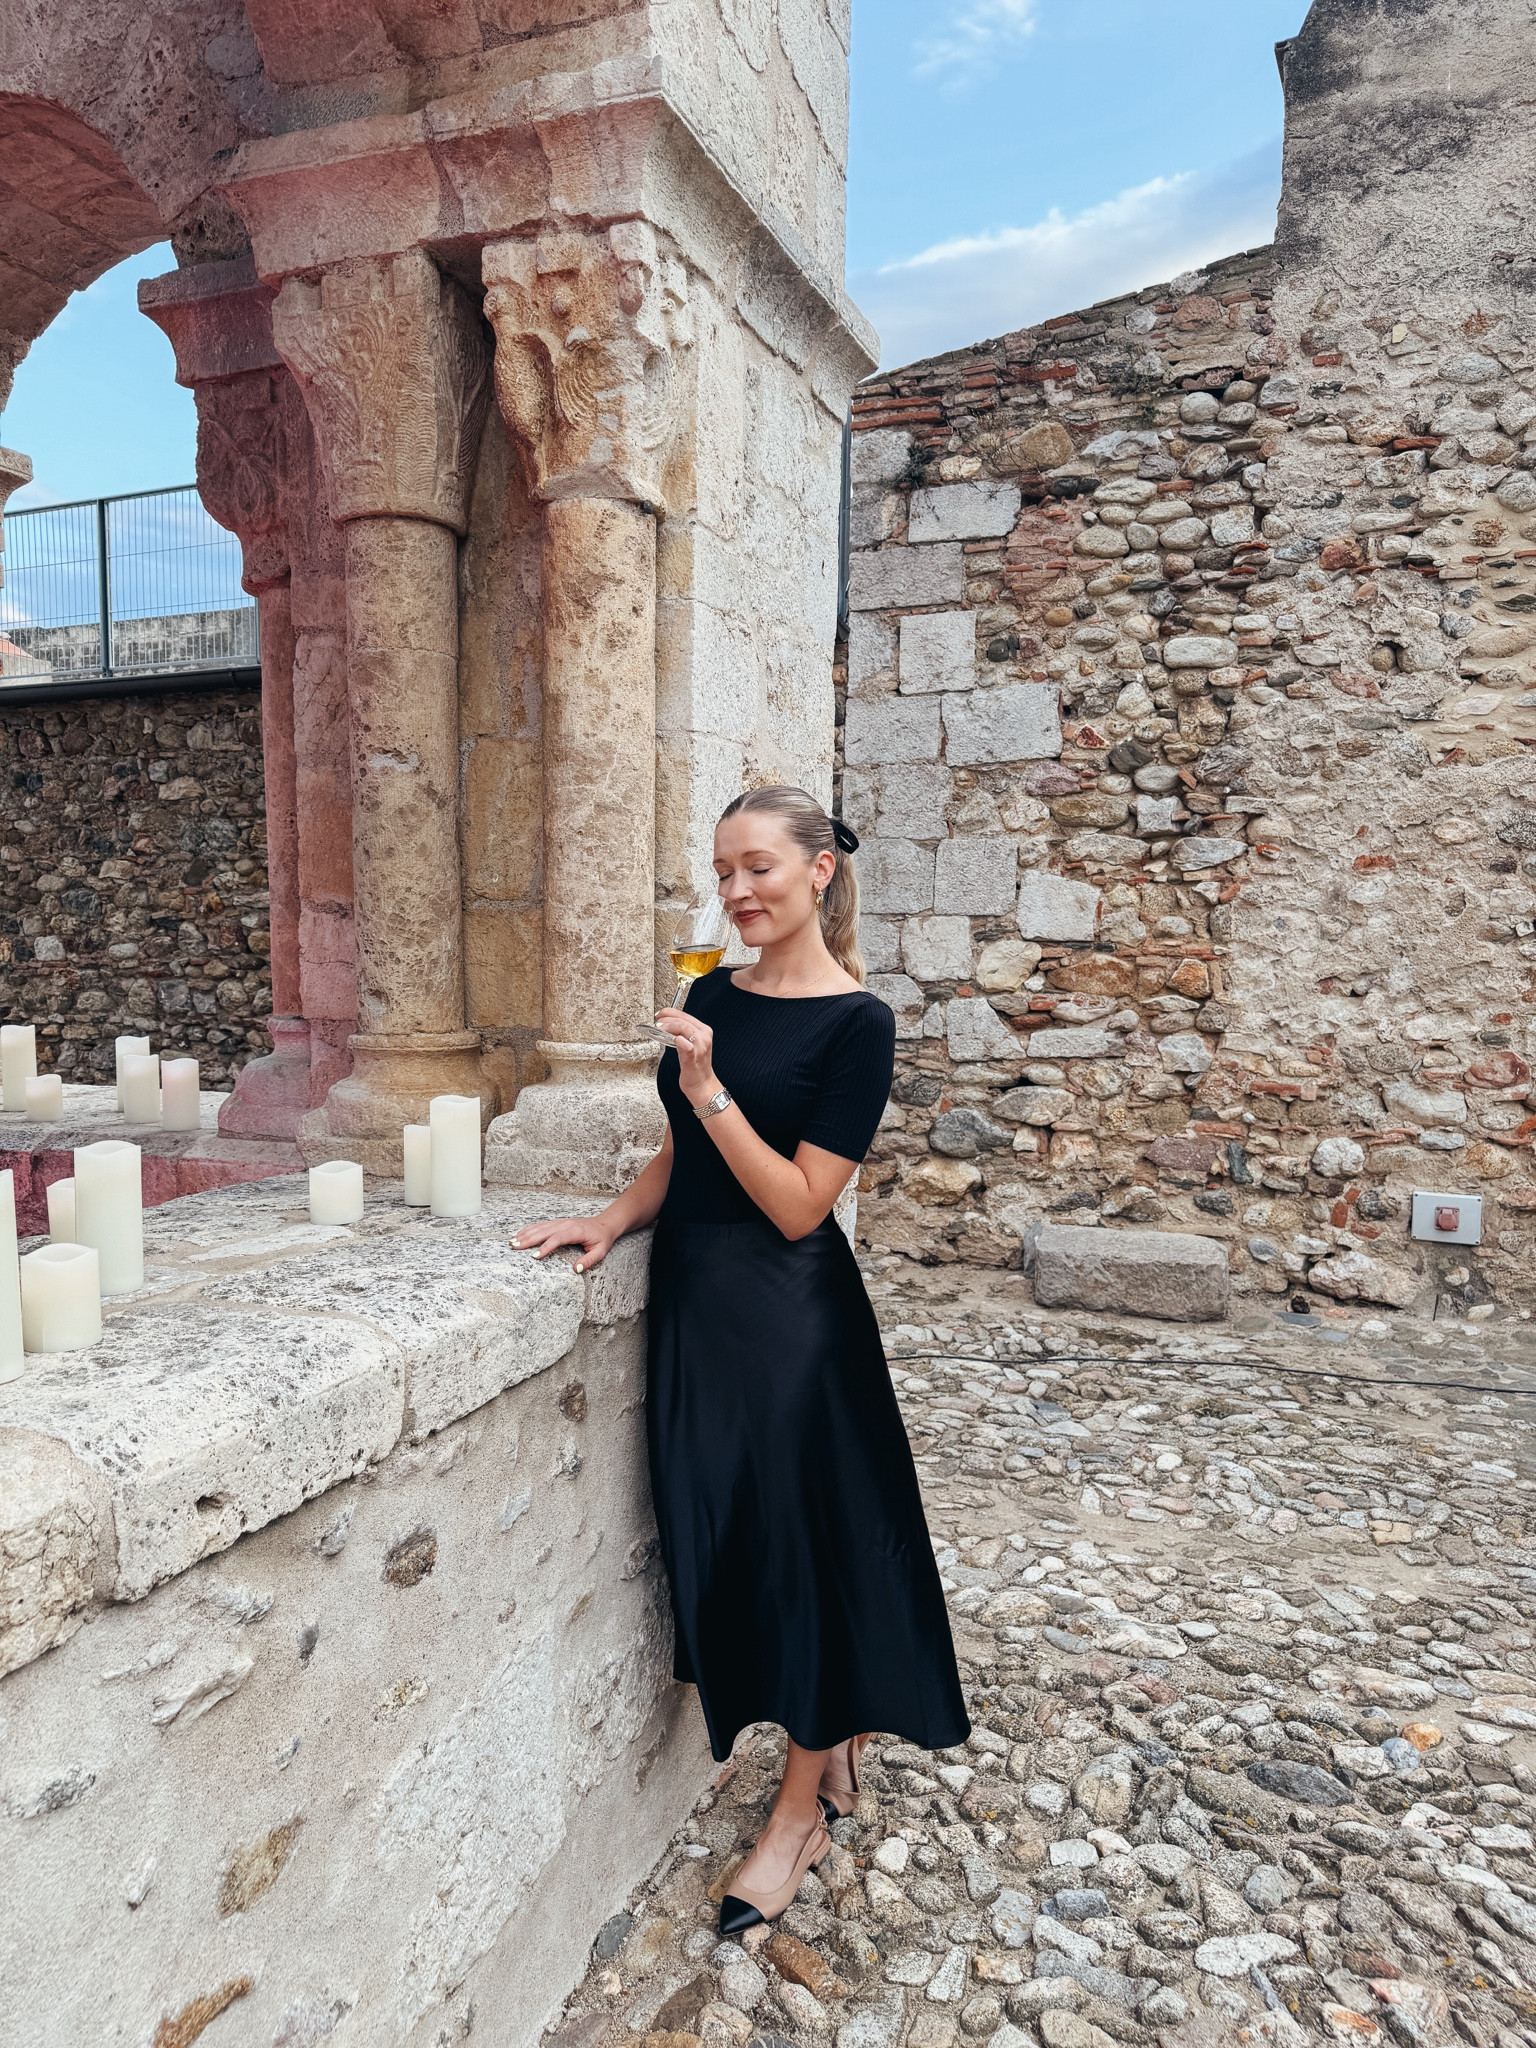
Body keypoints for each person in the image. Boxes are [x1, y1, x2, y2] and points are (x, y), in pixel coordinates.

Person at [513, 785, 968, 1933]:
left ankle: (796, 1814)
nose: (735, 890)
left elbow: (802, 1203)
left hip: (791, 1325)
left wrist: (712, 1086)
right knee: (733, 1543)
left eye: (757, 865)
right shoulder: (712, 992)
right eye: (722, 871)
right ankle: (830, 1735)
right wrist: (609, 1219)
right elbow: (684, 1152)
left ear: (819, 869)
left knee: (806, 1556)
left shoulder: (858, 1024)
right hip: (695, 1309)